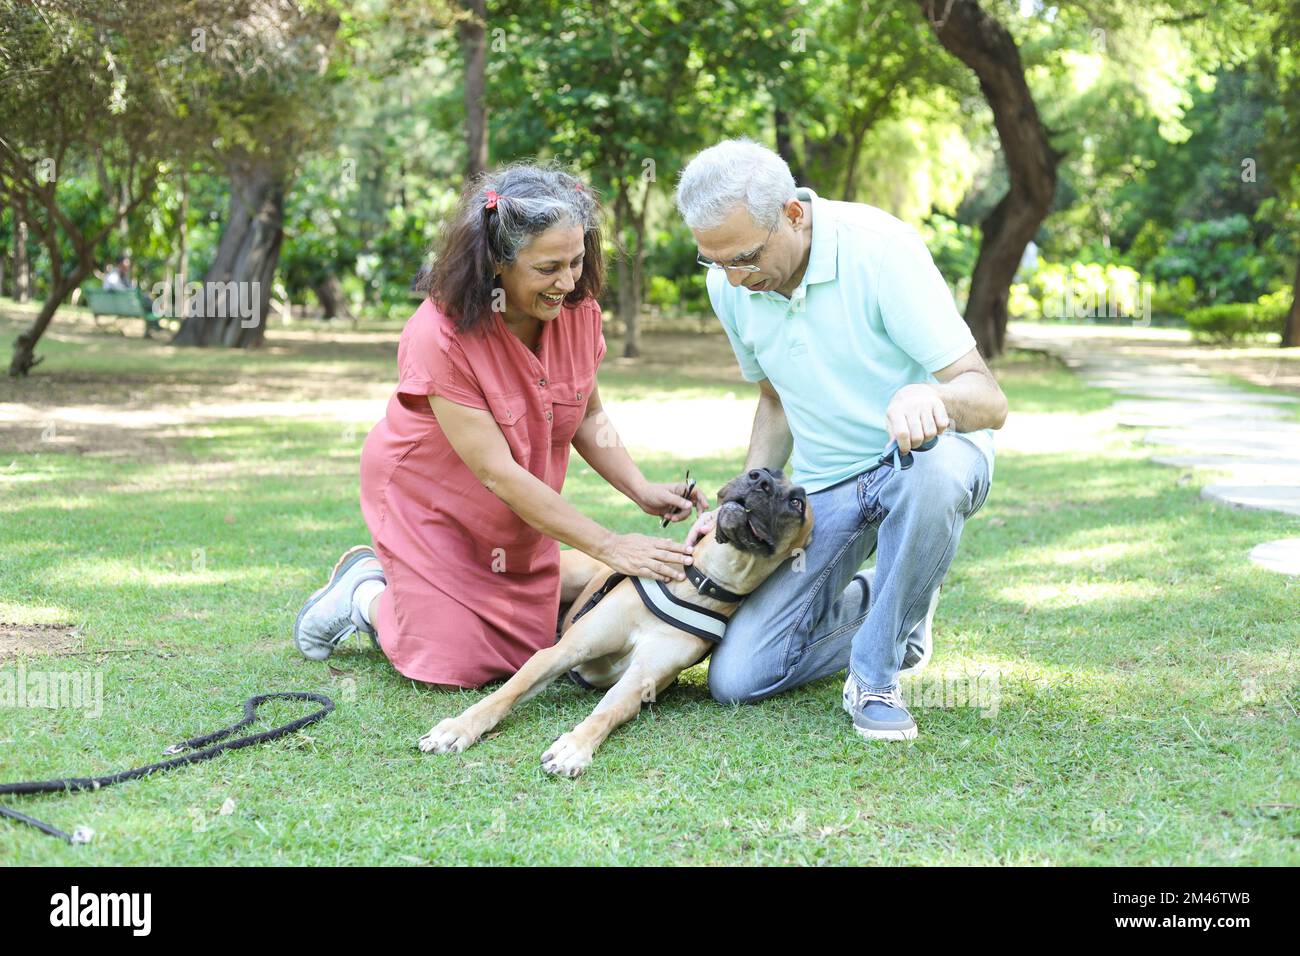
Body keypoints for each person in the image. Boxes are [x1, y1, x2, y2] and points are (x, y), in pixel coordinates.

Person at [293, 163, 708, 689]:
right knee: (458, 666)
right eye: (548, 268)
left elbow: (587, 414)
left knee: (531, 645)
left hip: (511, 508)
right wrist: (609, 544)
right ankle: (363, 594)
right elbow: (496, 474)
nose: (568, 282)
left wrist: (640, 488)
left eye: (577, 261)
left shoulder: (578, 312)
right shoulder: (439, 335)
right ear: (497, 265)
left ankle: (496, 595)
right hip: (431, 498)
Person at [675, 139, 1008, 741]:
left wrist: (931, 398)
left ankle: (875, 676)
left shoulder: (881, 249)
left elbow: (988, 400)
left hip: (924, 458)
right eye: (713, 261)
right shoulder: (730, 283)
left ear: (794, 215)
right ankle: (899, 603)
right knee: (740, 677)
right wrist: (738, 503)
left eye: (744, 257)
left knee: (931, 474)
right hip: (828, 485)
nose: (732, 278)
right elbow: (774, 401)